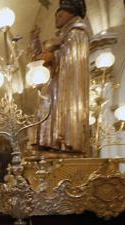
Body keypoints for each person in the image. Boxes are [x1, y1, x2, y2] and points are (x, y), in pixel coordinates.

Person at [32, 0, 90, 155]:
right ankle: (48, 143)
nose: (56, 18)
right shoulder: (63, 35)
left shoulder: (77, 32)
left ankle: (63, 143)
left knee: (50, 103)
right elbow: (39, 58)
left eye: (60, 15)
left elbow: (72, 57)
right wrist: (35, 40)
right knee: (45, 104)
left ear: (71, 14)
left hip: (67, 85)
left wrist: (54, 55)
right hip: (56, 79)